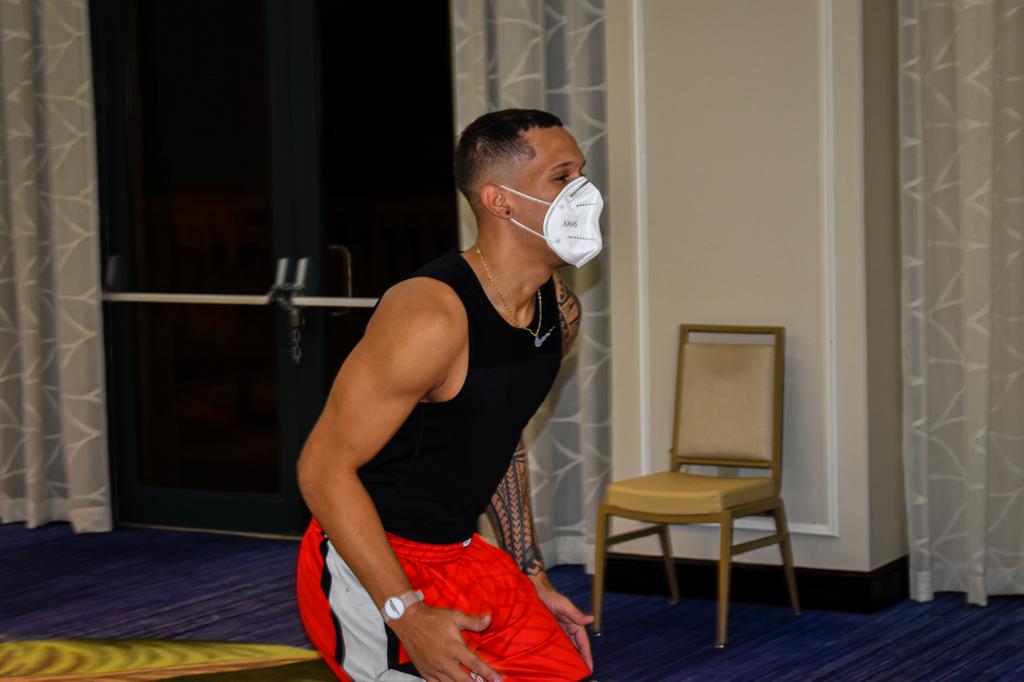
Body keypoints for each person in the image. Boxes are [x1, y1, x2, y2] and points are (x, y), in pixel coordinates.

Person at [295, 108, 604, 682]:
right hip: (372, 562)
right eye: (561, 177)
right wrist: (406, 614)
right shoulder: (430, 316)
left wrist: (531, 573)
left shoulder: (558, 312)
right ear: (501, 201)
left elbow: (500, 438)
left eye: (581, 173)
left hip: (461, 553)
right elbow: (321, 470)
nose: (584, 192)